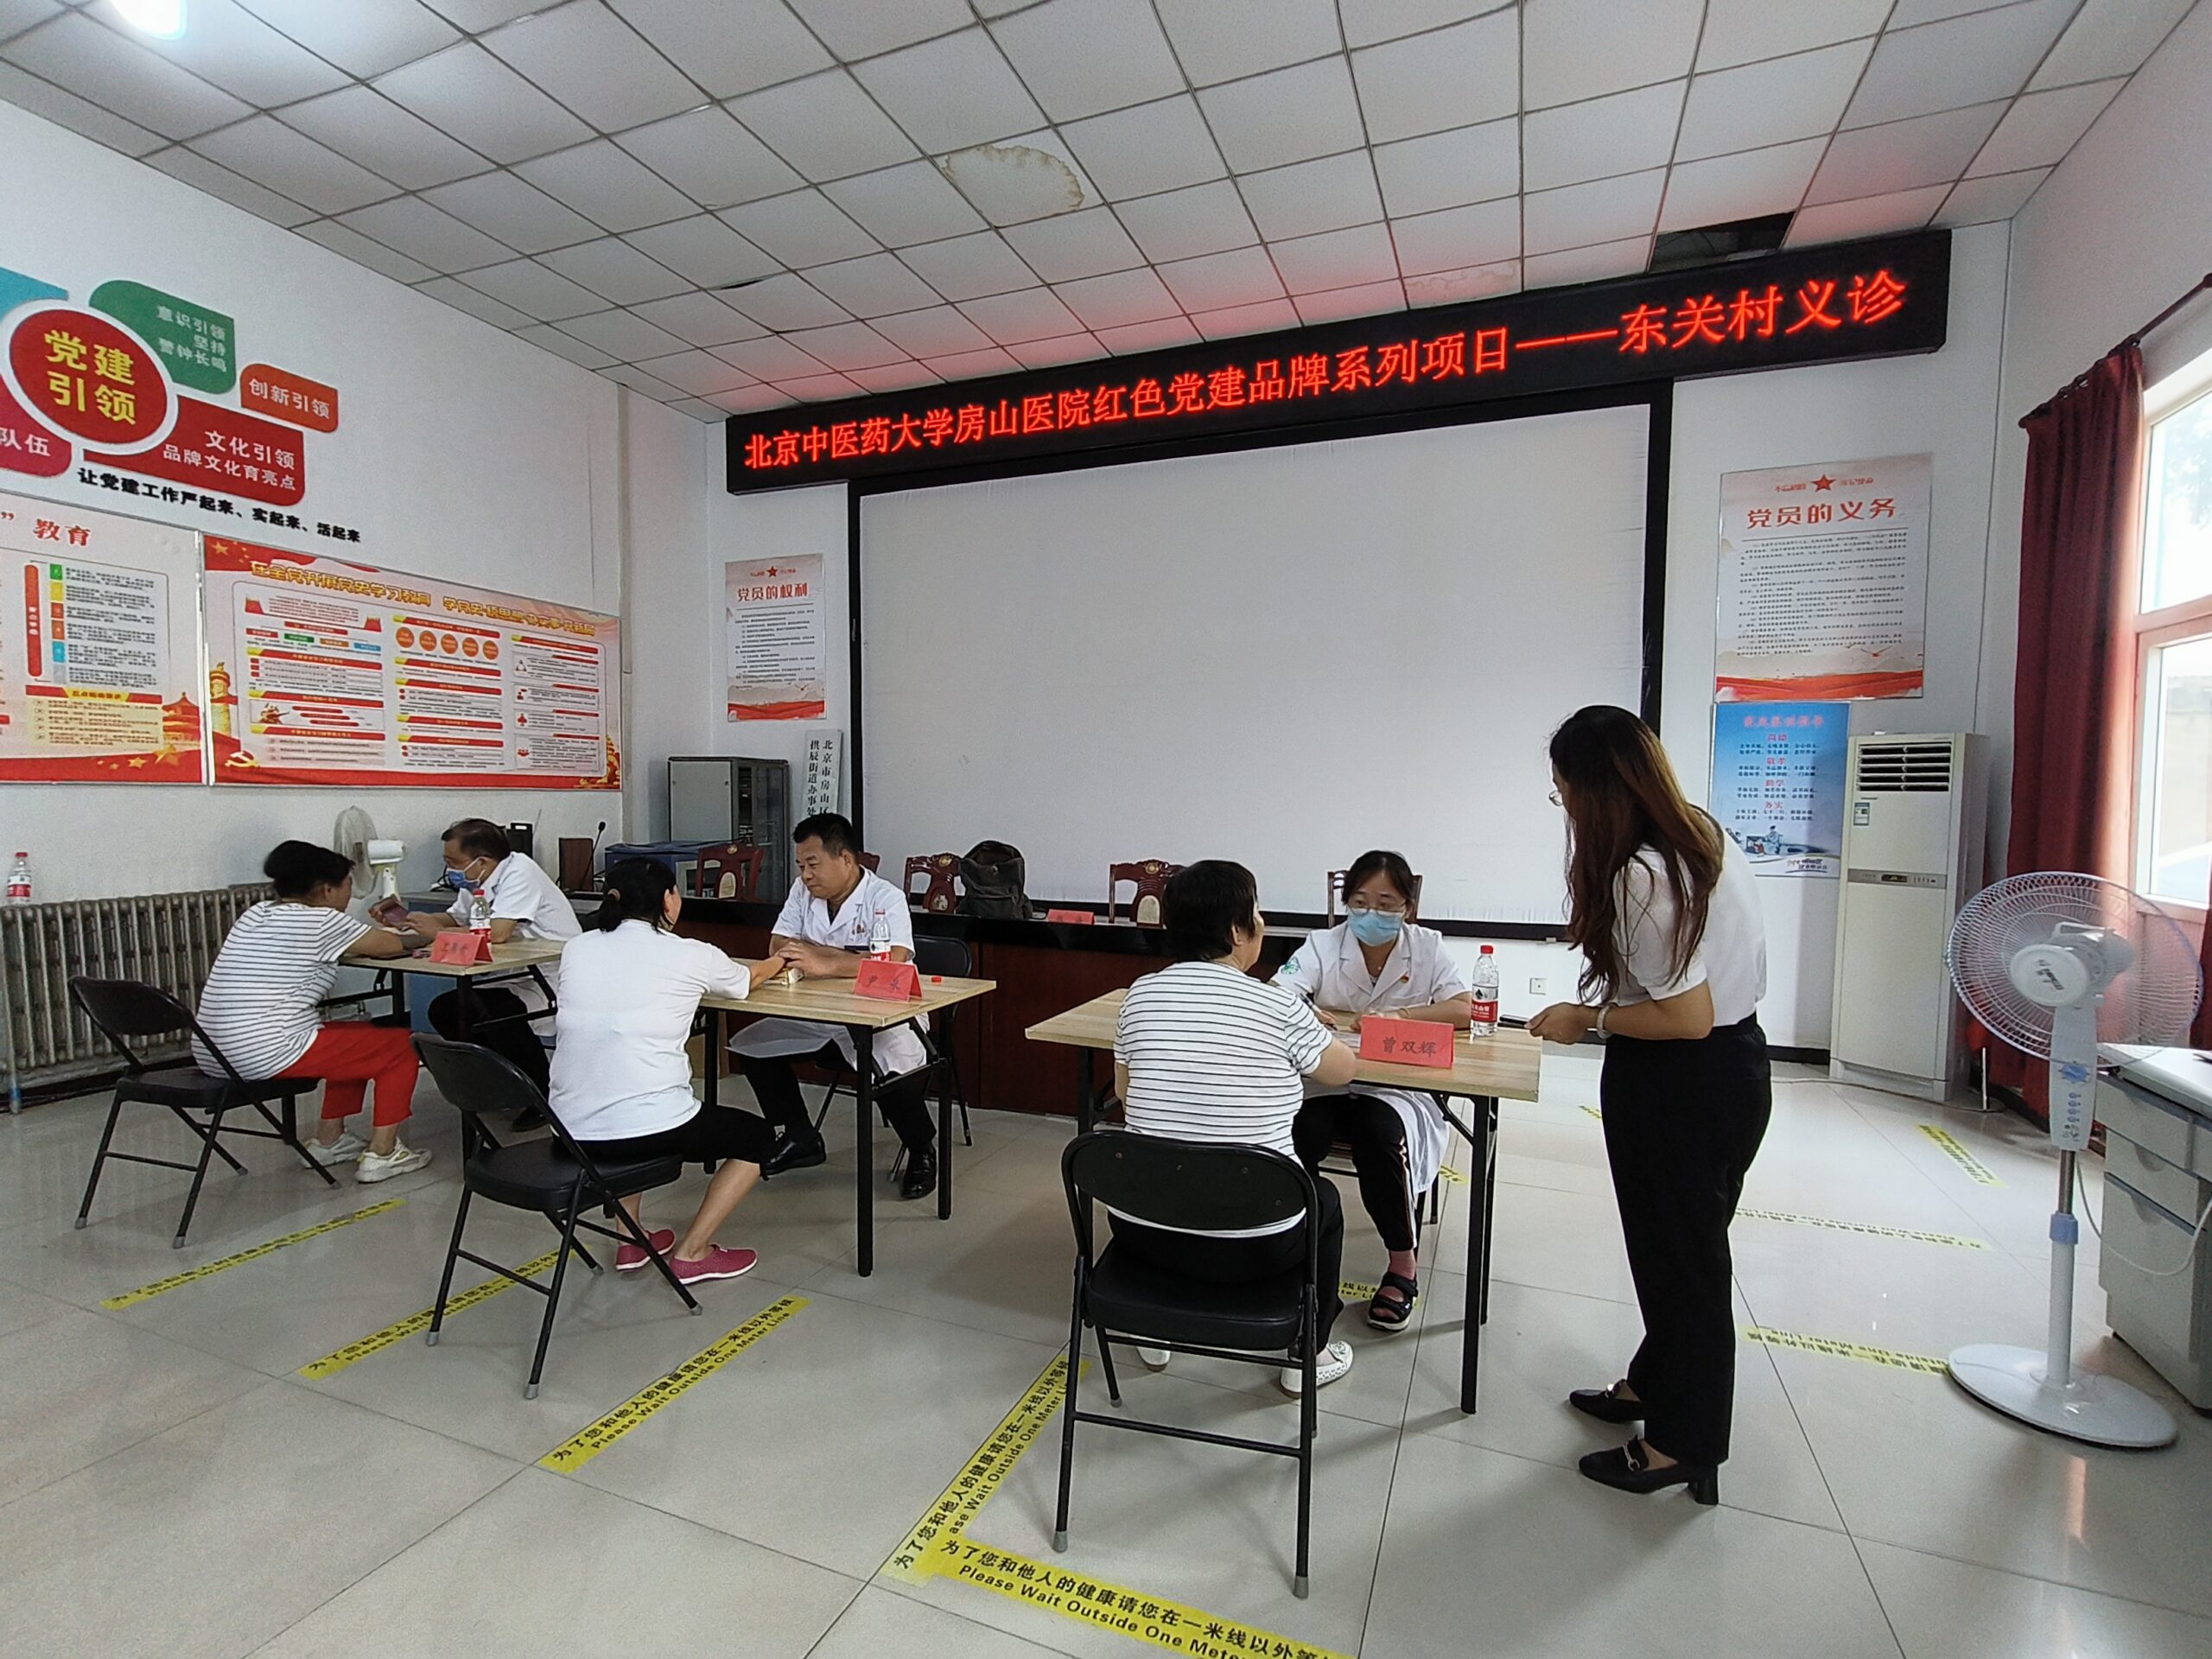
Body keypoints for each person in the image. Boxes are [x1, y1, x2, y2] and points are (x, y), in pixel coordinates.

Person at [1528, 705, 1770, 1505]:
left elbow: (1685, 1017)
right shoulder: (1700, 834)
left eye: (1563, 791)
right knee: (1678, 1253)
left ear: (1596, 790)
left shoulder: (1640, 872)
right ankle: (1653, 1382)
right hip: (1734, 1071)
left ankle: (1679, 1446)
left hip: (1681, 1081)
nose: (1564, 807)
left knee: (1684, 1267)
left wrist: (1587, 1019)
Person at [1112, 860, 1363, 1395]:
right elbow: (1343, 1070)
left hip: (1142, 1234)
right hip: (1254, 1248)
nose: (1263, 923)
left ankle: (1154, 1328)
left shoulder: (1140, 994)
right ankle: (1308, 1355)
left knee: (1170, 1172)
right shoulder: (1278, 1004)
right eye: (1257, 912)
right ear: (1236, 931)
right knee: (1325, 1200)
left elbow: (1124, 1091)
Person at [547, 858, 791, 1285]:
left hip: (569, 1130)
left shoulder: (578, 948)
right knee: (756, 1138)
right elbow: (746, 980)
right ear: (667, 900)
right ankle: (693, 1253)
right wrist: (780, 961)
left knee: (624, 1088)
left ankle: (631, 1239)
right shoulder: (689, 953)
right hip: (646, 1128)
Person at [1275, 849, 1470, 1333]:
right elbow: (1280, 992)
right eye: (1360, 902)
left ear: (1407, 906)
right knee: (1296, 1133)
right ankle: (1289, 1251)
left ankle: (1403, 1264)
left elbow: (1464, 1008)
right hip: (1326, 1079)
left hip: (1396, 1086)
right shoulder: (1323, 944)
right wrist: (1304, 1010)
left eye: (1386, 904)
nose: (1371, 914)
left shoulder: (1427, 946)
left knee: (1379, 1136)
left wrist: (1403, 1017)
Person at [729, 812, 940, 1201]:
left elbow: (893, 961)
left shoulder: (885, 897)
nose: (806, 875)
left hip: (884, 1017)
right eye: (801, 866)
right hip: (817, 1013)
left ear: (845, 859)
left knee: (888, 1067)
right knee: (750, 1046)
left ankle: (921, 1149)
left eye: (813, 864)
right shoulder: (802, 891)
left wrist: (823, 960)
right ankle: (801, 1136)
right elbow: (777, 945)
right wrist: (848, 960)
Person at [194, 840, 431, 1184]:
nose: (350, 895)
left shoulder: (256, 914)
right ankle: (384, 1153)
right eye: (347, 886)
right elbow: (390, 946)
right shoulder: (322, 920)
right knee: (401, 1046)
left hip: (212, 1052)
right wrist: (428, 934)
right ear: (326, 890)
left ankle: (329, 1140)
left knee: (360, 1038)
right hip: (262, 1052)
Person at [385, 818, 580, 1117]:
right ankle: (495, 1085)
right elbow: (457, 918)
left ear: (482, 861)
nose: (450, 869)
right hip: (512, 973)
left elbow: (498, 932)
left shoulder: (520, 871)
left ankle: (540, 1092)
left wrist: (436, 932)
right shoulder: (477, 879)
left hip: (549, 976)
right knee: (446, 1009)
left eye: (453, 862)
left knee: (498, 1013)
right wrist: (414, 920)